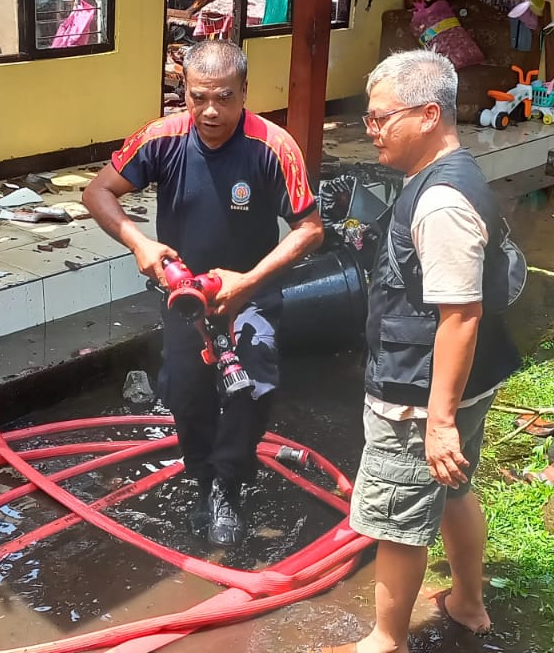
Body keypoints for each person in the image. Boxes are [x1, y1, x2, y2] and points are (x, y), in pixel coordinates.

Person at [82, 40, 323, 546]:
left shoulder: (273, 146)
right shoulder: (162, 138)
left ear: (245, 93)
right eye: (198, 98)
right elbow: (97, 191)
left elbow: (310, 229)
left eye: (225, 98)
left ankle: (228, 487)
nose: (211, 111)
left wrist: (249, 282)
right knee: (185, 390)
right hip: (184, 293)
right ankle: (201, 475)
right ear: (184, 93)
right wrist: (139, 243)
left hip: (247, 292)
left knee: (252, 387)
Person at [324, 50, 523, 653]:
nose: (371, 128)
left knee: (398, 519)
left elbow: (461, 317)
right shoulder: (445, 175)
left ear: (429, 115)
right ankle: (467, 602)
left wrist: (438, 423)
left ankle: (384, 642)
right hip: (465, 379)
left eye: (383, 117)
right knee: (452, 491)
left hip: (420, 393)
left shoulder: (441, 203)